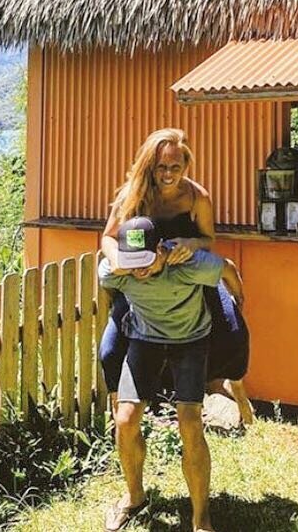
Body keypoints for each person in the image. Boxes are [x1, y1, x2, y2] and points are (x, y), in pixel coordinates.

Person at [100, 128, 254, 423]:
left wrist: (191, 244)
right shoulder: (133, 193)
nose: (168, 174)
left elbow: (208, 239)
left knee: (234, 331)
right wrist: (118, 259)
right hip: (142, 280)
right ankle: (119, 421)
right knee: (110, 351)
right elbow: (107, 237)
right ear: (150, 166)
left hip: (188, 275)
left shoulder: (197, 197)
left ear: (186, 166)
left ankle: (237, 391)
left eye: (175, 167)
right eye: (161, 167)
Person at [100, 217, 243, 532]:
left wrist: (238, 304)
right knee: (125, 420)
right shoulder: (118, 272)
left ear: (162, 250)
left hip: (190, 341)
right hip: (144, 340)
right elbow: (105, 274)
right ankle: (135, 497)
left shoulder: (189, 264)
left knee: (190, 423)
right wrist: (121, 265)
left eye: (145, 259)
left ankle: (201, 517)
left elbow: (228, 269)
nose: (139, 269)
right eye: (131, 261)